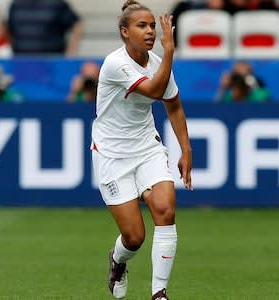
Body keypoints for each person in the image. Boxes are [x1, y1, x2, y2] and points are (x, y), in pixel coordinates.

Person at [90, 1, 193, 299]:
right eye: (142, 26)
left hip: (147, 146)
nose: (150, 31)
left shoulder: (157, 63)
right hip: (112, 154)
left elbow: (172, 105)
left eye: (152, 25)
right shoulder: (115, 63)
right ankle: (117, 260)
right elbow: (154, 91)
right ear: (125, 32)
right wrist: (170, 51)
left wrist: (185, 149)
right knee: (135, 237)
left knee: (165, 209)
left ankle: (159, 293)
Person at [7, 0, 83, 56]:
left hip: (52, 64)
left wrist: (71, 53)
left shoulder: (57, 4)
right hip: (21, 62)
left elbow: (77, 24)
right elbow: (9, 30)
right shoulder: (16, 5)